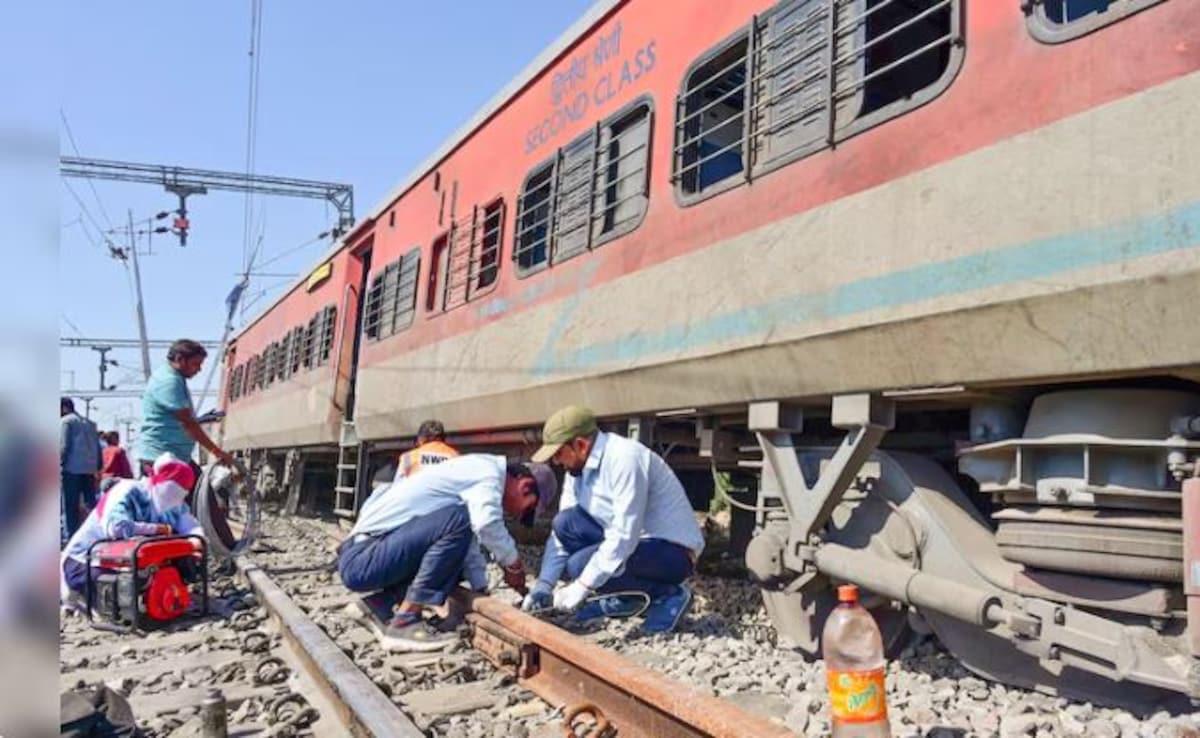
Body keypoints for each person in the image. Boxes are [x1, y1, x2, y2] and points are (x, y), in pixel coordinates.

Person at [521, 405, 705, 634]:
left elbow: (625, 534)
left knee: (580, 566)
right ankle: (628, 598)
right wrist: (544, 586)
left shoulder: (624, 459)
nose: (557, 462)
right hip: (634, 547)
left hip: (671, 552)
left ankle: (668, 596)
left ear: (580, 445)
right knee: (565, 523)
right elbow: (561, 535)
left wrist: (582, 585)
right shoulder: (576, 471)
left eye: (559, 453)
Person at [338, 455, 546, 651]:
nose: (517, 515)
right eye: (526, 510)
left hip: (366, 554)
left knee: (454, 550)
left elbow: (466, 544)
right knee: (459, 520)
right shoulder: (488, 474)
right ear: (525, 486)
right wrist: (513, 564)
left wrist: (480, 590)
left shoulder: (473, 474)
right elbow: (486, 523)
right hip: (363, 558)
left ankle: (378, 605)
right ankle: (404, 623)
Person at [59, 454, 205, 604]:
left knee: (181, 563)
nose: (175, 497)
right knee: (120, 588)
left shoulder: (175, 505)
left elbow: (191, 527)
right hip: (86, 559)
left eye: (181, 493)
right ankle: (80, 596)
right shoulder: (129, 490)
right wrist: (158, 529)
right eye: (173, 489)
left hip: (130, 561)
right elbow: (116, 527)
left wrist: (194, 541)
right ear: (161, 481)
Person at [138, 339, 235, 477]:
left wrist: (199, 420)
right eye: (196, 364)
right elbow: (188, 423)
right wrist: (216, 452)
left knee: (199, 494)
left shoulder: (172, 377)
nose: (199, 369)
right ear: (180, 359)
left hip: (174, 456)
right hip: (162, 459)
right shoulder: (169, 382)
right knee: (186, 496)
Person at [60, 398, 101, 541]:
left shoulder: (66, 422)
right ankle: (96, 534)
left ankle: (70, 538)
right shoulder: (90, 424)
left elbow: (63, 446)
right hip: (89, 469)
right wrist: (98, 467)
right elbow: (98, 448)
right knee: (91, 505)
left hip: (71, 470)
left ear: (64, 408)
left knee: (70, 505)